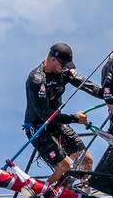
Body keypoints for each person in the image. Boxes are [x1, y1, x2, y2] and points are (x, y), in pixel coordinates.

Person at [23, 43, 102, 185]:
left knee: (86, 160)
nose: (66, 68)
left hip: (56, 123)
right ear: (53, 60)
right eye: (63, 64)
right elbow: (45, 115)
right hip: (38, 127)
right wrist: (75, 119)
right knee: (65, 168)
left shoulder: (64, 72)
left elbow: (86, 84)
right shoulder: (37, 79)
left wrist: (107, 95)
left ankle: (84, 192)